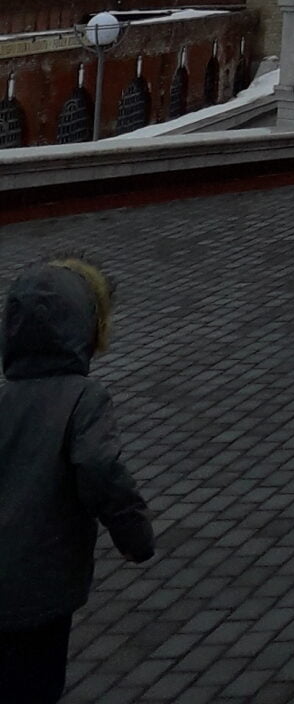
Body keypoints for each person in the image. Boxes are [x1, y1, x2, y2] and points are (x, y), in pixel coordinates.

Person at [0, 260, 155, 704]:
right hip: (40, 586)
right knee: (36, 685)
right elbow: (100, 468)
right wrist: (134, 534)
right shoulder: (83, 399)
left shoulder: (5, 400)